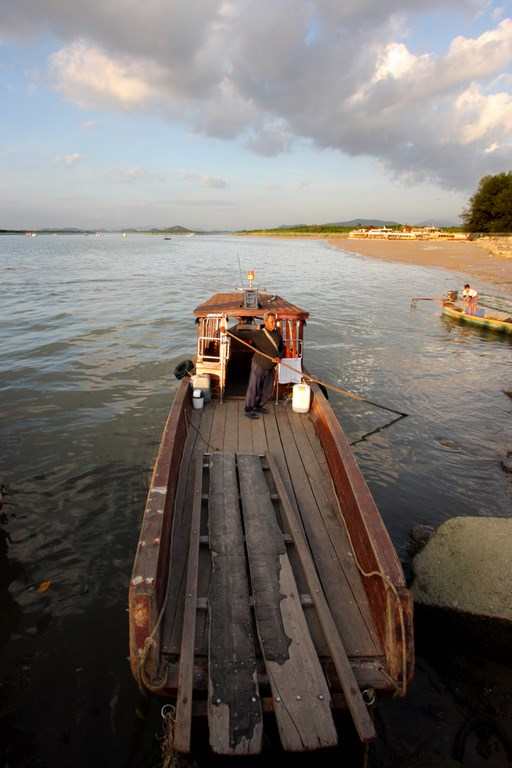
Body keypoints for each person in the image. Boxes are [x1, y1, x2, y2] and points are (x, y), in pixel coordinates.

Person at [237, 311, 284, 419]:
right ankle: (248, 409)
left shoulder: (277, 334)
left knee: (267, 389)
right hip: (258, 365)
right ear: (266, 322)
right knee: (254, 388)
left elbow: (281, 348)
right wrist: (225, 331)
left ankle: (258, 406)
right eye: (272, 322)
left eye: (275, 322)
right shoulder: (259, 334)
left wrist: (279, 357)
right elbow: (242, 334)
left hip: (270, 367)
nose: (274, 324)